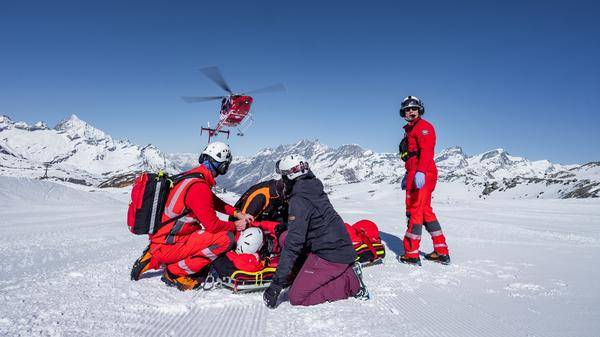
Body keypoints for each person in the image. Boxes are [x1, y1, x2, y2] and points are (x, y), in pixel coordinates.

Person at [130, 141, 253, 290]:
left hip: (163, 238)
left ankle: (153, 256)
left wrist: (237, 213)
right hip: (172, 243)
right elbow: (213, 225)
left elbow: (211, 200)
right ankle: (175, 272)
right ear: (223, 166)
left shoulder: (192, 176)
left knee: (203, 233)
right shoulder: (199, 187)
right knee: (226, 238)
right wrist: (235, 225)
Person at [262, 155, 369, 308]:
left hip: (330, 254)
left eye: (284, 177)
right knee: (285, 237)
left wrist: (275, 286)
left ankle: (350, 281)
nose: (283, 181)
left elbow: (294, 245)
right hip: (335, 244)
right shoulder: (311, 186)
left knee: (297, 297)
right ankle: (337, 270)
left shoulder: (299, 199)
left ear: (290, 178)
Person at [397, 96, 450, 266]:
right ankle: (441, 251)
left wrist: (419, 172)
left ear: (420, 110)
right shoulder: (410, 129)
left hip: (423, 172)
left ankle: (411, 254)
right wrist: (410, 173)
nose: (411, 111)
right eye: (407, 109)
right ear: (403, 112)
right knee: (426, 211)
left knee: (415, 212)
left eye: (414, 108)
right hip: (416, 172)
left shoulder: (424, 128)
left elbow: (427, 151)